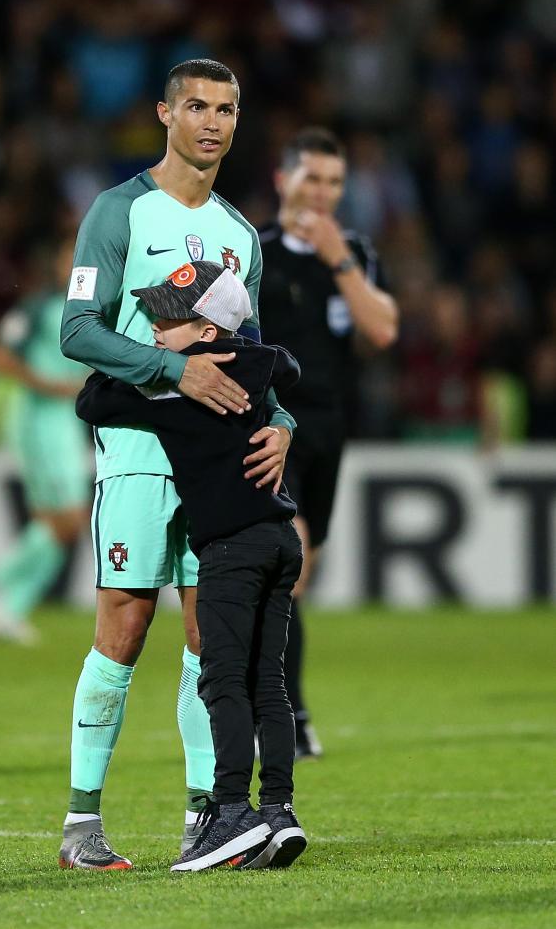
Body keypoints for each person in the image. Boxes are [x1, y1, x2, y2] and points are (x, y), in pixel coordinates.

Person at [58, 59, 295, 870]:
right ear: (164, 113)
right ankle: (81, 825)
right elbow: (78, 331)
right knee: (123, 629)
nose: (211, 122)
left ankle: (211, 820)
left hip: (218, 462)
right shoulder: (119, 211)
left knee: (209, 639)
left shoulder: (238, 234)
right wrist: (172, 370)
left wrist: (285, 422)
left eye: (226, 109)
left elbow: (253, 355)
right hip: (137, 453)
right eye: (195, 106)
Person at [76, 260, 306, 873]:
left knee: (222, 681)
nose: (154, 329)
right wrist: (274, 407)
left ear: (205, 334)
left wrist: (165, 373)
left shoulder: (176, 394)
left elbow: (93, 400)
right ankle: (279, 812)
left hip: (230, 547)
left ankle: (229, 814)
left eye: (168, 319)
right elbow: (287, 364)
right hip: (280, 539)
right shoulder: (257, 367)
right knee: (269, 684)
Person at [258, 127, 399, 757]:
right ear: (282, 180)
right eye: (312, 178)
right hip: (268, 424)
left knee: (296, 577)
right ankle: (282, 717)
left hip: (329, 427)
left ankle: (291, 710)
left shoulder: (354, 252)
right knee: (284, 563)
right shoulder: (252, 249)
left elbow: (383, 331)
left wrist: (337, 257)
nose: (323, 192)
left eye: (334, 182)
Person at [0, 239, 89, 644]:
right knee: (67, 519)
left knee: (60, 523)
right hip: (38, 417)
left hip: (65, 420)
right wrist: (48, 385)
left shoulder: (95, 312)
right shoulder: (38, 307)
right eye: (69, 257)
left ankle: (6, 606)